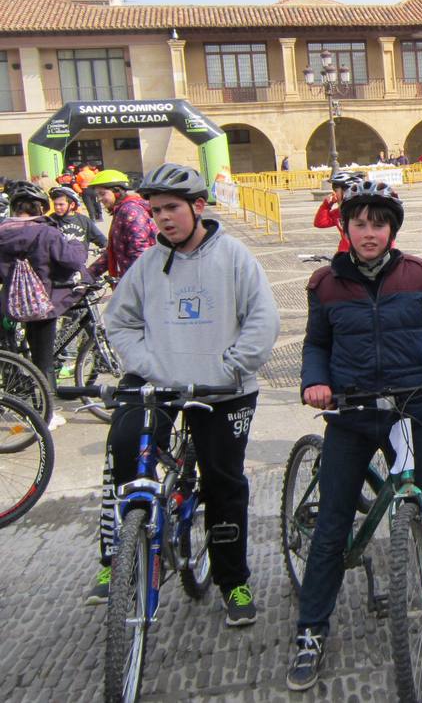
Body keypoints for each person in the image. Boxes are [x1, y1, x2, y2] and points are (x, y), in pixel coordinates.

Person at [287, 180, 422, 691]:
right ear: (346, 228)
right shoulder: (326, 285)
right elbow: (316, 345)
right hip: (351, 414)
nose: (369, 232)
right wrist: (315, 381)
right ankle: (311, 630)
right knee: (333, 523)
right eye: (360, 223)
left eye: (379, 223)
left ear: (392, 229)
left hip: (406, 409)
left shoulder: (420, 277)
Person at [87, 164, 280, 620]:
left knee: (223, 482)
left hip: (222, 389)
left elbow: (262, 320)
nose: (163, 219)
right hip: (157, 381)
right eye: (156, 211)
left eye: (172, 208)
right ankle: (116, 555)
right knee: (122, 452)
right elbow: (120, 321)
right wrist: (148, 365)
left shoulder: (234, 256)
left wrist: (232, 366)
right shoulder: (149, 263)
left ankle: (233, 581)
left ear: (197, 206)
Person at [0, 181, 88, 428]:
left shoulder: (1, 231)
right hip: (40, 307)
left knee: (12, 355)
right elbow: (70, 261)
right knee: (43, 361)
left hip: (9, 305)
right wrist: (77, 244)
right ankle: (46, 416)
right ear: (40, 207)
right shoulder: (47, 232)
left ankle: (17, 399)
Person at [87, 169, 157, 282]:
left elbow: (140, 250)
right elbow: (113, 250)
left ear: (116, 191)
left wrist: (132, 283)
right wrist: (89, 273)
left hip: (142, 282)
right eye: (97, 195)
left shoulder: (130, 210)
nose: (99, 199)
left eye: (102, 194)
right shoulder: (121, 210)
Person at [312, 170, 361, 254]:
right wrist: (326, 205)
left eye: (336, 191)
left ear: (347, 192)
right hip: (345, 256)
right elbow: (320, 223)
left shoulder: (366, 212)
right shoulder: (338, 212)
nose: (333, 194)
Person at [48, 186, 107, 253]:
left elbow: (102, 241)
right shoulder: (50, 220)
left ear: (72, 205)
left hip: (79, 261)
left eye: (61, 204)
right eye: (55, 204)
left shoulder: (84, 220)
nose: (57, 207)